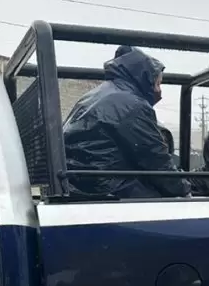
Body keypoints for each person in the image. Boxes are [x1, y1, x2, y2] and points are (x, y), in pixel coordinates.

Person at [64, 45, 189, 199]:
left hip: (78, 182)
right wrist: (184, 188)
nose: (159, 90)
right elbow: (155, 159)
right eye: (157, 84)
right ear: (144, 79)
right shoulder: (133, 105)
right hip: (106, 186)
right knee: (167, 206)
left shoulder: (96, 95)